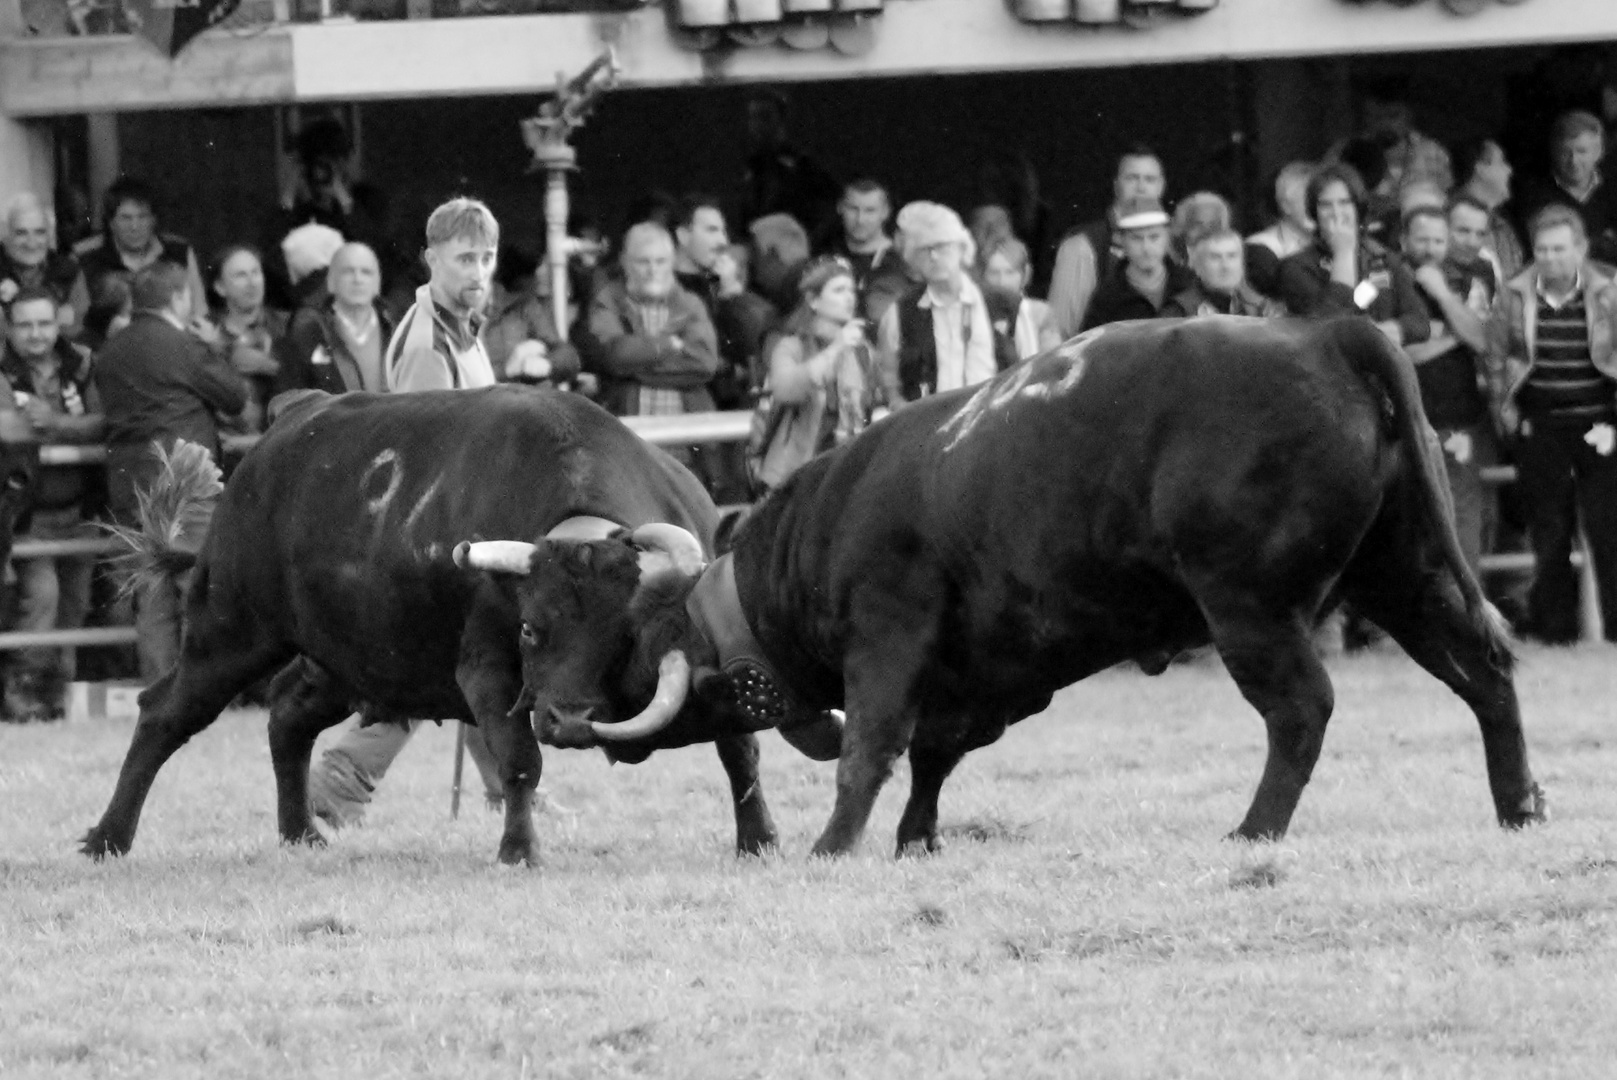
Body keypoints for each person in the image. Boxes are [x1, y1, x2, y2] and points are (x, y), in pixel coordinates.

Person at [307, 198, 506, 829]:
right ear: (432, 259)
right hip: (440, 532)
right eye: (464, 258)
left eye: (486, 257)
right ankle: (343, 774)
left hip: (453, 526)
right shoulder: (428, 343)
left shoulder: (456, 327)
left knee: (474, 665)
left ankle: (508, 786)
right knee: (459, 667)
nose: (479, 270)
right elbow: (435, 455)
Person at [93, 261, 248, 680]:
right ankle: (201, 689)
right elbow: (235, 395)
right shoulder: (183, 344)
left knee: (152, 593)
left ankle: (160, 688)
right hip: (183, 479)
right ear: (179, 298)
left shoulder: (110, 351)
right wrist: (213, 346)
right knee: (197, 588)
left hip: (129, 484)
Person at [1484, 204, 1617, 644]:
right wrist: (1505, 409)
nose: (1551, 258)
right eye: (1542, 249)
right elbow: (1497, 355)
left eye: (1560, 249)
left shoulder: (1609, 289)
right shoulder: (1514, 293)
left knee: (1609, 529)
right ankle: (1555, 633)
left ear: (1580, 249)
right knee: (1549, 532)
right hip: (1539, 424)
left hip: (1600, 422)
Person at [0, 288, 104, 720]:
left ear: (58, 322)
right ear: (8, 327)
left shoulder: (82, 361)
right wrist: (63, 428)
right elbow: (8, 430)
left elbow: (106, 421)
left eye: (44, 323)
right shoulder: (2, 368)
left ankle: (57, 701)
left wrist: (57, 425)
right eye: (25, 325)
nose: (36, 334)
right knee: (42, 598)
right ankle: (23, 699)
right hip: (27, 515)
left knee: (73, 607)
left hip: (81, 510)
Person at [1400, 205, 1494, 573]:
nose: (1430, 248)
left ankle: (1468, 614)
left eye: (1438, 240)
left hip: (1459, 420)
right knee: (1406, 519)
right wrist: (1455, 335)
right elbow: (1394, 349)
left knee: (1463, 515)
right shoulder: (1379, 281)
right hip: (1402, 422)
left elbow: (1483, 340)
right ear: (1404, 240)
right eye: (1422, 239)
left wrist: (1441, 295)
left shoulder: (1471, 281)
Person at [752, 256, 875, 493]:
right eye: (839, 290)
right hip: (793, 476)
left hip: (845, 473)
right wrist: (837, 348)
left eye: (851, 290)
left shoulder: (862, 351)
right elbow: (786, 390)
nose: (849, 297)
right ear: (813, 300)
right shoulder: (790, 346)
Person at [1277, 163, 1431, 350]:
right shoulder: (1297, 267)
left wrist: (1392, 330)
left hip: (1381, 369)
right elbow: (1328, 328)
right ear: (1314, 212)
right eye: (1326, 205)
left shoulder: (1382, 258)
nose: (1336, 213)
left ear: (1358, 207)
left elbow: (1420, 322)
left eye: (1345, 202)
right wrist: (1343, 254)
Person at [877, 201, 1012, 407]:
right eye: (924, 250)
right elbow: (889, 381)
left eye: (942, 246)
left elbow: (1031, 371)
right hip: (928, 430)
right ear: (912, 258)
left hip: (993, 427)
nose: (934, 256)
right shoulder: (900, 313)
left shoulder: (1006, 304)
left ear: (961, 248)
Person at [583, 222, 719, 420]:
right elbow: (615, 356)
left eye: (661, 261)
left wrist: (633, 371)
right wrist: (669, 345)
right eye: (643, 262)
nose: (653, 270)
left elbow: (704, 363)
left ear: (672, 262)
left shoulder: (690, 304)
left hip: (686, 436)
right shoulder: (608, 300)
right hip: (627, 431)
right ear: (625, 262)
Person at [1048, 146, 1167, 338]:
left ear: (1162, 186)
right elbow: (1058, 333)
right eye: (1132, 178)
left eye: (1150, 179)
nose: (1141, 187)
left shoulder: (1176, 247)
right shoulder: (1083, 246)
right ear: (1116, 185)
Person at [277, 242, 396, 395]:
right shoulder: (309, 334)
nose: (357, 279)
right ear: (331, 282)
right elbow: (289, 400)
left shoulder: (397, 329)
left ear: (377, 282)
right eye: (348, 272)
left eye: (366, 272)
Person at [74, 177, 207, 312]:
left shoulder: (178, 252)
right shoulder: (86, 257)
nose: (134, 226)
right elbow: (77, 323)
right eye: (126, 218)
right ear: (111, 223)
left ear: (153, 220)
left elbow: (199, 309)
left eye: (142, 217)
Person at [198, 245, 285, 435]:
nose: (252, 282)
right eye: (241, 275)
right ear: (220, 287)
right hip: (222, 445)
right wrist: (220, 351)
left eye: (256, 273)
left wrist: (271, 367)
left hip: (277, 441)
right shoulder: (204, 331)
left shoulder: (287, 326)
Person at [1080, 196, 1194, 331]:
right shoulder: (1106, 300)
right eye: (1136, 238)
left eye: (1154, 237)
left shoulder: (1191, 285)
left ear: (1167, 238)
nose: (1146, 248)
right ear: (1120, 241)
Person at [481, 244, 580, 391]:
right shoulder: (463, 314)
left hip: (528, 402)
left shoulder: (526, 307)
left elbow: (568, 357)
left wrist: (547, 364)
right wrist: (508, 370)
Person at [823, 179, 912, 328]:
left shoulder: (896, 263)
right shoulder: (824, 246)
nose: (860, 220)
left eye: (870, 211)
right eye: (853, 209)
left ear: (885, 213)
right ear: (840, 207)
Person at [0, 194, 89, 339]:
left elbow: (75, 326)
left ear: (50, 236)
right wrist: (55, 317)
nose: (31, 243)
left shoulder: (69, 270)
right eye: (21, 233)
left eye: (40, 232)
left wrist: (11, 316)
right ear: (5, 236)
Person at [1161, 228, 1283, 319]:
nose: (1226, 265)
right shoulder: (1179, 312)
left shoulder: (1264, 309)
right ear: (1197, 266)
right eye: (1215, 257)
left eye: (1232, 256)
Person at [1452, 137, 1526, 282]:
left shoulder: (1503, 226)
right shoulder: (1448, 219)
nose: (1509, 170)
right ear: (1480, 168)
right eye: (1502, 162)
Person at [978, 234, 1060, 361]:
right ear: (983, 276)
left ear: (1025, 274)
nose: (1002, 281)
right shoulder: (973, 313)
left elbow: (1051, 362)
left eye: (1010, 272)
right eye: (994, 273)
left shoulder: (1040, 313)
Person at [1246, 162, 1316, 300]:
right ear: (1286, 205)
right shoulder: (1260, 250)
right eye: (1308, 200)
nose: (1315, 208)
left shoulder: (1333, 244)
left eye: (1321, 201)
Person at [1169, 191, 1234, 268]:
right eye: (1198, 225)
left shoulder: (1233, 264)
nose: (1206, 232)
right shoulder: (1170, 265)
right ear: (1183, 228)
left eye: (1212, 225)